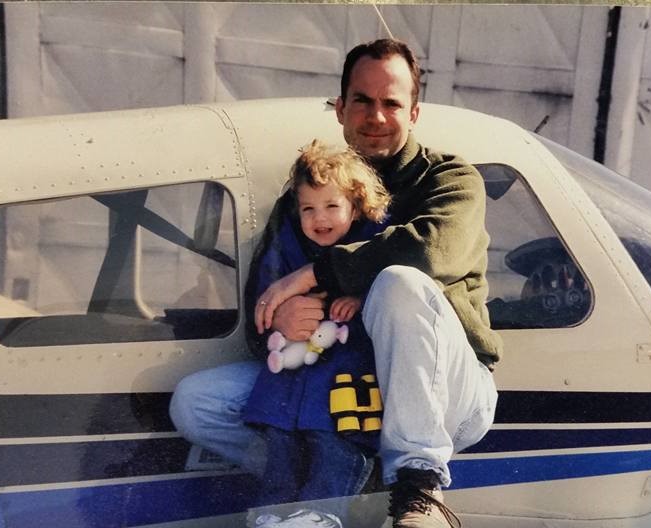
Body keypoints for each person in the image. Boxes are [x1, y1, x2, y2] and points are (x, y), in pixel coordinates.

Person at [171, 38, 502, 528]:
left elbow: (433, 250)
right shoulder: (305, 197)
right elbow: (266, 295)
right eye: (362, 101)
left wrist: (317, 273)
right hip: (335, 378)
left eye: (391, 103)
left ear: (413, 113)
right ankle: (323, 495)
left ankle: (418, 487)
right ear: (340, 108)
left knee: (399, 285)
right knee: (197, 403)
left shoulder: (450, 179)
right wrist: (277, 321)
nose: (376, 116)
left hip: (443, 391)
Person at [242, 140, 391, 526]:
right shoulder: (289, 245)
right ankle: (272, 514)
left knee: (335, 443)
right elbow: (264, 295)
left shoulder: (371, 245)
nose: (318, 218)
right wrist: (275, 317)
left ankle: (322, 514)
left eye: (331, 206)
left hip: (345, 373)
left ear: (355, 206)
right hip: (293, 377)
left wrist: (359, 297)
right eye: (308, 208)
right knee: (281, 446)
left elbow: (389, 287)